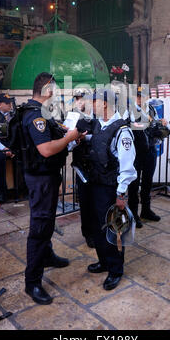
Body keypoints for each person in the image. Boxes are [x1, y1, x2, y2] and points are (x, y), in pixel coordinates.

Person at [22, 72, 83, 305]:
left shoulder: (39, 113)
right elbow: (46, 150)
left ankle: (46, 255)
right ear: (47, 89)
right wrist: (70, 138)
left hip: (44, 177)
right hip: (41, 180)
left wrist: (70, 139)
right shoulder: (36, 116)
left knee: (47, 221)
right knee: (39, 226)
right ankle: (32, 282)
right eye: (55, 89)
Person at [82, 88, 137, 291]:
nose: (90, 105)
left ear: (104, 103)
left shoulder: (123, 131)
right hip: (95, 184)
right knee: (97, 226)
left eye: (93, 101)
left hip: (110, 188)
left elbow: (127, 166)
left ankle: (115, 269)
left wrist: (121, 194)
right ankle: (104, 261)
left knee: (112, 229)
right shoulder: (98, 125)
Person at [126, 87, 166, 227]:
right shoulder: (130, 110)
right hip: (136, 152)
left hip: (150, 149)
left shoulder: (151, 109)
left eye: (143, 96)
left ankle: (146, 210)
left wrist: (161, 124)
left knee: (148, 181)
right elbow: (130, 127)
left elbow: (154, 124)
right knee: (134, 184)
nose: (141, 98)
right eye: (138, 96)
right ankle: (133, 214)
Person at [72, 91, 95, 248]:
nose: (80, 102)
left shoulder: (97, 117)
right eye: (77, 99)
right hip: (82, 165)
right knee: (85, 202)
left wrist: (86, 137)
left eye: (82, 99)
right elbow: (68, 138)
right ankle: (88, 233)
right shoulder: (73, 118)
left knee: (97, 201)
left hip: (97, 165)